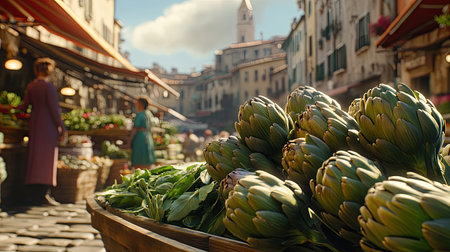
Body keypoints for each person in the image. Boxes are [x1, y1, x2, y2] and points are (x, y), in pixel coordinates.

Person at [15, 58, 67, 205]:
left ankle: (33, 194)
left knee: (35, 158)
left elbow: (23, 107)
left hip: (35, 125)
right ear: (49, 71)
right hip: (48, 127)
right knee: (47, 160)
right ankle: (44, 193)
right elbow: (54, 110)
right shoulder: (48, 87)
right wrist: (62, 127)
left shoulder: (31, 86)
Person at [127, 97, 156, 169]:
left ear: (140, 104)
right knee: (147, 157)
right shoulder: (149, 114)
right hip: (148, 137)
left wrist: (129, 141)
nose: (136, 105)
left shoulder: (140, 115)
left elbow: (135, 129)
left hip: (140, 138)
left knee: (139, 159)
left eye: (137, 103)